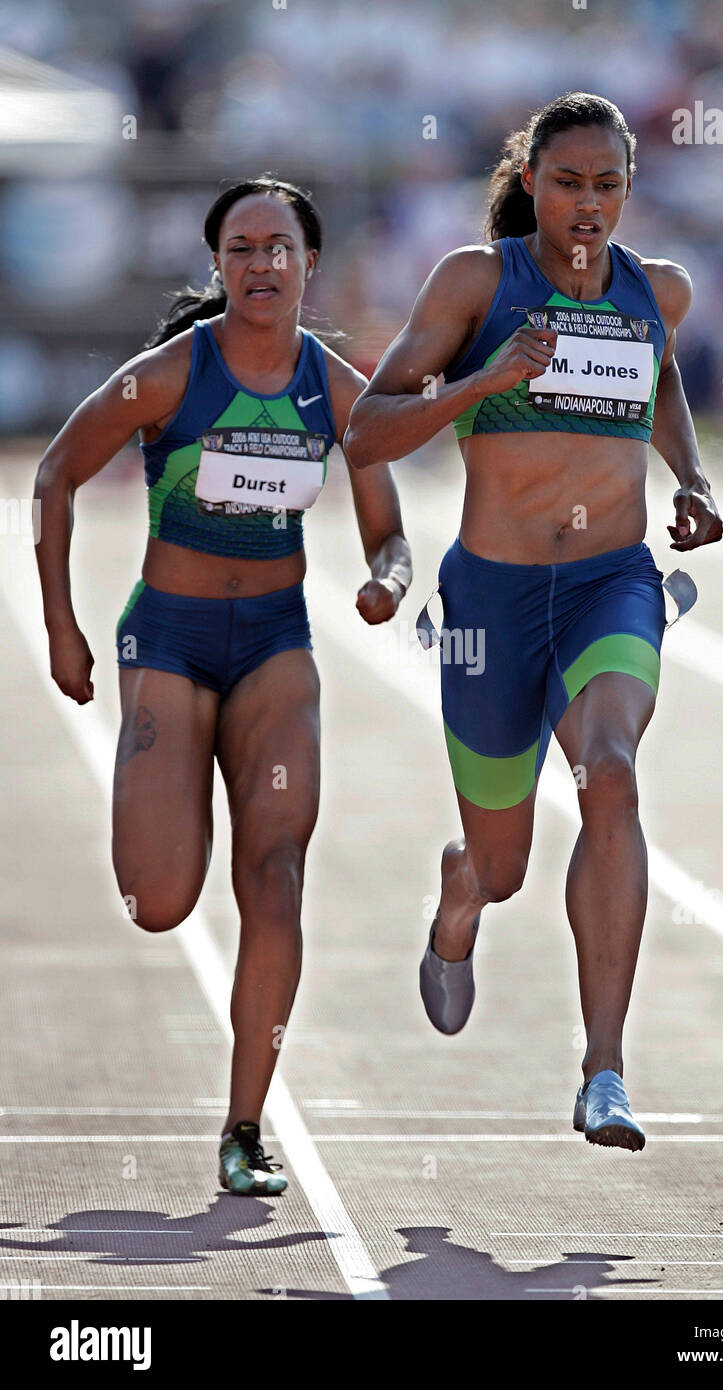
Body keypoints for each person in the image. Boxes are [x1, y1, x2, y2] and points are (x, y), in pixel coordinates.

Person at [345, 94, 723, 1151]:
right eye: (568, 182)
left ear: (628, 189)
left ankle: (604, 1067)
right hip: (492, 602)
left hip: (610, 581)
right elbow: (369, 434)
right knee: (503, 861)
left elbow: (658, 380)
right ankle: (460, 891)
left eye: (608, 184)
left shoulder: (660, 289)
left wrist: (690, 480)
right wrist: (484, 381)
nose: (588, 203)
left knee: (610, 768)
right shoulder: (478, 280)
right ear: (533, 181)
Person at [34, 176, 411, 1192]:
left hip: (276, 644)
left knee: (276, 877)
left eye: (279, 247)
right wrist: (60, 626)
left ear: (309, 264)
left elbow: (391, 536)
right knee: (159, 899)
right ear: (218, 267)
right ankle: (166, 799)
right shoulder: (165, 375)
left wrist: (387, 583)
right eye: (241, 248)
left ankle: (245, 1126)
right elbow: (55, 475)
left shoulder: (339, 390)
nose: (262, 265)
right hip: (168, 637)